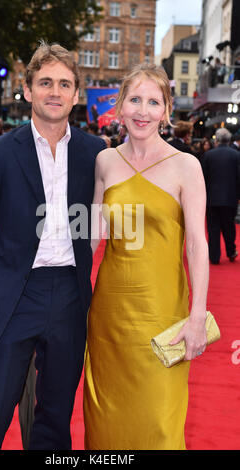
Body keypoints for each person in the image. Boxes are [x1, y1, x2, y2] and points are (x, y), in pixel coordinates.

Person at [0, 41, 105, 450]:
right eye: (45, 82)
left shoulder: (94, 152)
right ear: (27, 90)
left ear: (76, 94)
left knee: (55, 419)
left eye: (64, 83)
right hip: (15, 296)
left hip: (71, 299)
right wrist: (7, 266)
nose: (55, 92)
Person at [83, 63, 209, 450]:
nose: (143, 110)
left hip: (162, 315)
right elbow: (91, 236)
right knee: (105, 423)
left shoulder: (187, 166)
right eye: (134, 99)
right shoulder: (105, 161)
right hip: (108, 317)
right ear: (120, 106)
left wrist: (198, 317)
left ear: (166, 110)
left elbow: (196, 245)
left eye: (153, 102)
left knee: (158, 424)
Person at [201, 128, 240, 265]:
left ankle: (214, 256)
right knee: (229, 227)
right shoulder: (236, 155)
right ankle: (231, 251)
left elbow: (203, 178)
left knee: (213, 228)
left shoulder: (208, 155)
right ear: (229, 140)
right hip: (230, 198)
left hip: (211, 198)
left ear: (216, 140)